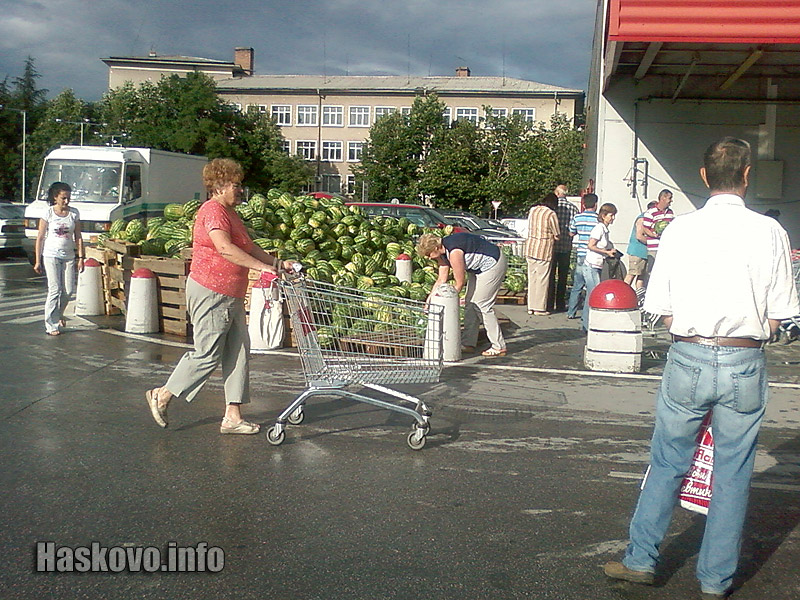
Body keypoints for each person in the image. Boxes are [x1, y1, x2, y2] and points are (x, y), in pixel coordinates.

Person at [603, 137, 800, 599]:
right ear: (748, 175)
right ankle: (714, 580)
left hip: (688, 355)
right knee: (732, 471)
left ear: (704, 175)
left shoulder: (679, 230)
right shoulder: (771, 232)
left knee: (669, 460)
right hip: (744, 358)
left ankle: (641, 560)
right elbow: (779, 315)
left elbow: (663, 310)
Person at [145, 158, 296, 435]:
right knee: (207, 354)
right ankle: (162, 394)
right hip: (212, 291)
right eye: (236, 185)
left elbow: (249, 247)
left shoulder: (231, 213)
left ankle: (233, 416)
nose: (241, 190)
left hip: (232, 293)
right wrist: (262, 269)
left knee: (238, 352)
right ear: (219, 185)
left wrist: (277, 264)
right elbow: (224, 249)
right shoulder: (213, 211)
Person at [417, 232, 508, 357]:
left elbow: (459, 283)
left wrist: (448, 302)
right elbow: (441, 279)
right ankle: (468, 343)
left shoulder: (454, 252)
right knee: (470, 304)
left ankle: (499, 346)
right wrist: (429, 301)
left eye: (428, 254)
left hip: (493, 264)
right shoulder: (442, 255)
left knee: (482, 305)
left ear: (436, 248)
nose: (428, 258)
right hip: (477, 268)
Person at [34, 182, 84, 336]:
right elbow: (40, 237)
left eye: (68, 198)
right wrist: (37, 260)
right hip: (51, 255)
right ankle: (51, 324)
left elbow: (78, 237)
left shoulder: (74, 213)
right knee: (55, 290)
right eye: (63, 198)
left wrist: (81, 257)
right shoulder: (48, 213)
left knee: (68, 290)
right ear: (55, 197)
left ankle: (59, 313)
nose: (66, 201)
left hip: (68, 256)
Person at [580, 202, 617, 331]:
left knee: (591, 294)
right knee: (594, 294)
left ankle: (586, 323)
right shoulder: (599, 228)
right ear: (604, 215)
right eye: (611, 215)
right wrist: (606, 252)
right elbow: (591, 245)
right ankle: (589, 323)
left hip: (597, 265)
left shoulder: (605, 230)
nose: (612, 218)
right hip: (591, 265)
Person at [524, 193, 560, 316]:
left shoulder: (533, 210)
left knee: (532, 278)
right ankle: (539, 308)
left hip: (530, 247)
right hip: (544, 250)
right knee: (542, 279)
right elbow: (556, 233)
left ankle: (530, 306)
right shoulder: (551, 214)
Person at [566, 193, 599, 319]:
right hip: (593, 255)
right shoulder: (598, 219)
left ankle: (571, 312)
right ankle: (590, 313)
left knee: (577, 285)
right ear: (595, 204)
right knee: (592, 286)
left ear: (584, 204)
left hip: (580, 254)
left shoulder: (577, 217)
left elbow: (571, 233)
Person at [547, 184, 578, 313]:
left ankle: (549, 303)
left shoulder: (551, 208)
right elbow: (574, 228)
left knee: (550, 276)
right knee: (563, 277)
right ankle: (560, 303)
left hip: (552, 246)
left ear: (557, 193)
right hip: (566, 246)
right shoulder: (573, 208)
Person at [624, 200, 657, 294]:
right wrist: (652, 242)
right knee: (632, 274)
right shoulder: (642, 219)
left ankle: (640, 295)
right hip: (637, 252)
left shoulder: (650, 220)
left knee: (641, 276)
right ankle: (623, 293)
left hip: (645, 253)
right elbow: (639, 236)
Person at [641, 188, 674, 274]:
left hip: (666, 247)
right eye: (669, 198)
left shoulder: (670, 212)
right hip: (654, 248)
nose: (671, 201)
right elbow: (645, 228)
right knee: (652, 272)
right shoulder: (650, 212)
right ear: (663, 198)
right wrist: (653, 235)